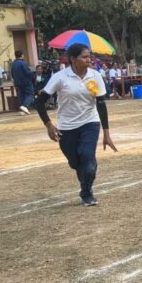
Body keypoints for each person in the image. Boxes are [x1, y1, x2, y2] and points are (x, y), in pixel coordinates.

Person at [34, 43, 117, 206]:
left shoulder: (95, 76)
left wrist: (106, 133)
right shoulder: (60, 77)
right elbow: (39, 102)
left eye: (89, 56)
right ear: (73, 59)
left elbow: (101, 104)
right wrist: (49, 125)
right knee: (75, 163)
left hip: (90, 122)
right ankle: (85, 181)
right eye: (84, 57)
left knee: (88, 158)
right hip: (66, 127)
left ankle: (86, 192)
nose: (89, 60)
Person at [10, 50, 36, 114]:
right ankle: (24, 106)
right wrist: (33, 76)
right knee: (31, 94)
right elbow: (27, 72)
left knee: (21, 95)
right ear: (21, 55)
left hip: (17, 82)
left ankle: (22, 111)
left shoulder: (13, 63)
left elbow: (12, 73)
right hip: (26, 81)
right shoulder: (23, 63)